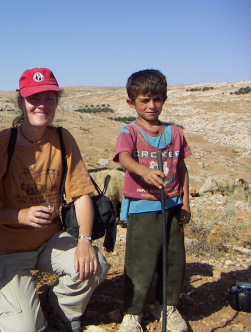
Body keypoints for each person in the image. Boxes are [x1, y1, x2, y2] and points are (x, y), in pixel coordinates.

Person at [0, 68, 111, 332]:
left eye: (49, 98)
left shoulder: (63, 139)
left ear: (56, 103)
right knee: (27, 329)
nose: (42, 105)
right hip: (5, 250)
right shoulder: (1, 145)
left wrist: (85, 241)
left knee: (95, 264)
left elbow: (82, 195)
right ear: (20, 102)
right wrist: (20, 216)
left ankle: (59, 305)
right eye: (34, 98)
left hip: (49, 241)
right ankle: (19, 301)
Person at [113, 69, 191, 332]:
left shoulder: (176, 133)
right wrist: (144, 171)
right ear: (131, 102)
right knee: (140, 261)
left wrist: (186, 203)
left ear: (164, 99)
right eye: (144, 100)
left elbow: (181, 169)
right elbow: (123, 157)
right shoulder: (130, 131)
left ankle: (167, 305)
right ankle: (132, 313)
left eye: (156, 98)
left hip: (172, 205)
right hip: (142, 205)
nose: (151, 105)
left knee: (173, 259)